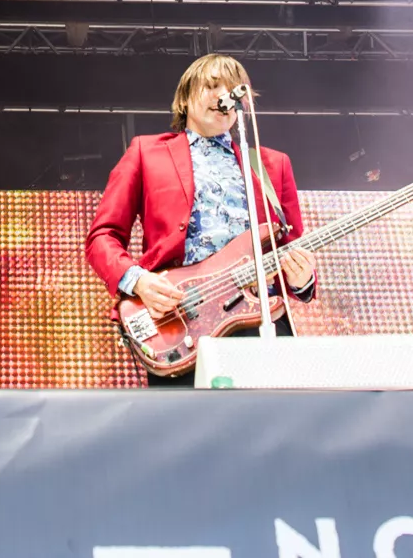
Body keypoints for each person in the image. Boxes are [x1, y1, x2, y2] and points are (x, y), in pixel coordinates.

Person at [84, 53, 318, 387]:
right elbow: (103, 236)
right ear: (184, 98)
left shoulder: (272, 164)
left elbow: (290, 248)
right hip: (181, 317)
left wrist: (301, 279)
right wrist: (138, 281)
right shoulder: (146, 152)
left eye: (232, 89)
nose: (223, 95)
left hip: (258, 319)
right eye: (212, 86)